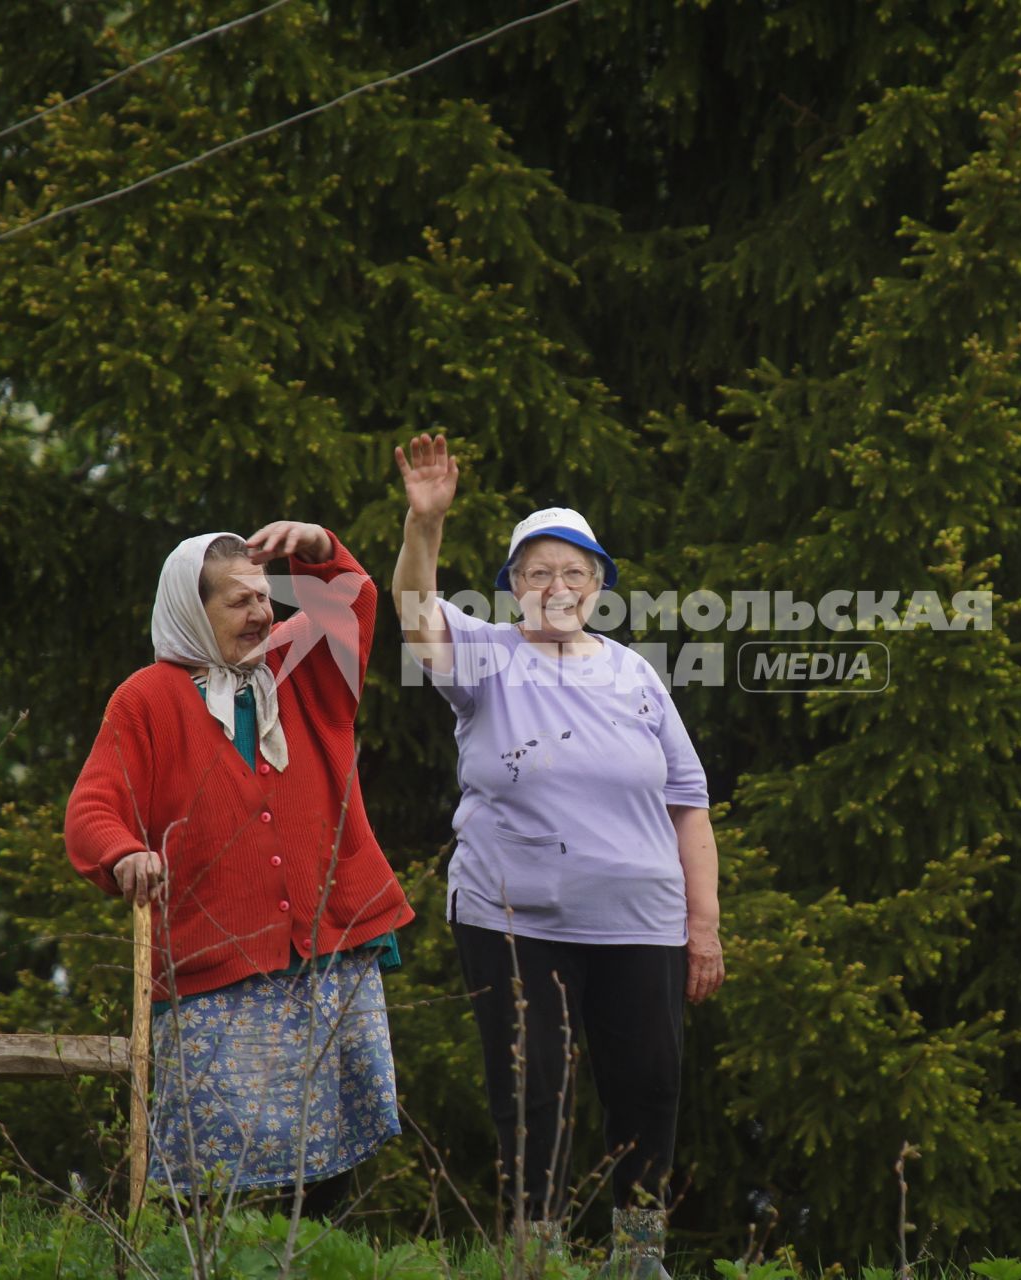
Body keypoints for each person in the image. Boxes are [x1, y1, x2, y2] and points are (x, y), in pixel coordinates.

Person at [391, 435, 725, 1278]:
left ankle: (636, 1260)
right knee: (532, 1090)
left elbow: (689, 805)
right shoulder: (486, 658)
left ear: (599, 588)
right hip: (513, 918)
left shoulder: (638, 676)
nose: (556, 587)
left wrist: (705, 926)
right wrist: (423, 524)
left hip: (642, 921)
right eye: (537, 572)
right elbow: (414, 607)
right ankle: (532, 1257)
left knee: (648, 1088)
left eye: (574, 573)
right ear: (512, 587)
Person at [65, 519, 415, 1214]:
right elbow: (91, 811)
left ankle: (316, 1264)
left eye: (264, 597)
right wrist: (124, 853)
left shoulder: (300, 665)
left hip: (329, 944)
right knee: (213, 1173)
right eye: (239, 602)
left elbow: (351, 600)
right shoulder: (147, 699)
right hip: (215, 958)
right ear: (193, 613)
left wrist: (320, 552)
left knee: (330, 1160)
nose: (261, 614)